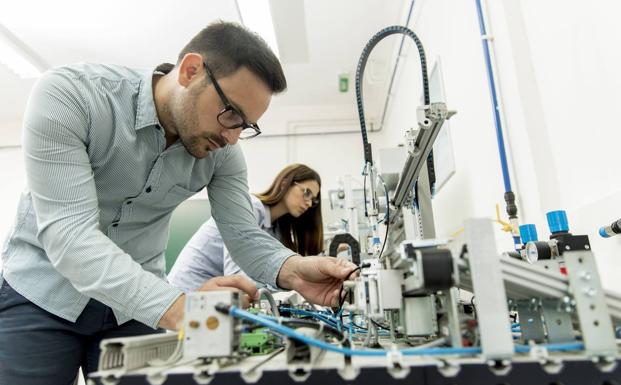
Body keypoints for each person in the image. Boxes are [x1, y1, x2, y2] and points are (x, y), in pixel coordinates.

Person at [0, 21, 356, 384]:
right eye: (230, 113)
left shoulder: (223, 153)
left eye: (245, 125)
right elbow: (70, 237)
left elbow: (242, 235)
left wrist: (296, 270)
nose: (232, 137)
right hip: (42, 294)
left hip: (132, 309)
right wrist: (176, 307)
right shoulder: (72, 96)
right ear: (190, 70)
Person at [169, 163, 324, 292]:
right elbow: (236, 276)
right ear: (285, 184)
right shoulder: (250, 209)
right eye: (307, 193)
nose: (309, 203)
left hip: (211, 297)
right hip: (187, 292)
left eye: (314, 200)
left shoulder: (275, 228)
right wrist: (292, 281)